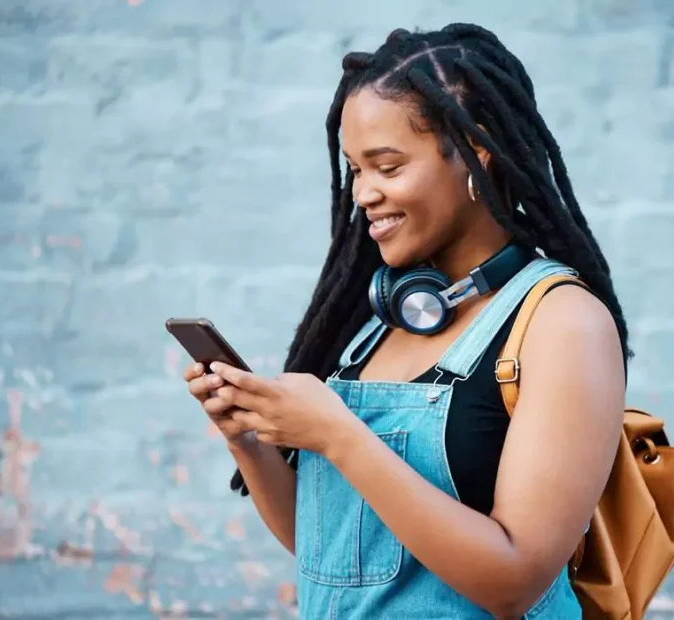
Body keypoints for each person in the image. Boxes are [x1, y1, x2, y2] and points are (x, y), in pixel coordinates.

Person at [183, 23, 628, 619]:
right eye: (355, 170)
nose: (363, 193)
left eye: (387, 167)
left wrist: (339, 436)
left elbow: (514, 581)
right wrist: (248, 439)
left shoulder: (563, 324)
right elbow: (335, 549)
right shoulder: (379, 322)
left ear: (479, 151)